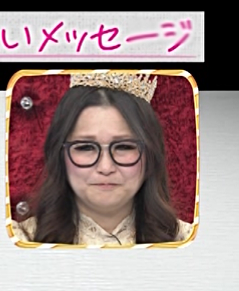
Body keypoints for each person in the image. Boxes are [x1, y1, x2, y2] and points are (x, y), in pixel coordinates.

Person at [14, 75, 194, 246]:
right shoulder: (22, 240)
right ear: (60, 156)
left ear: (150, 156)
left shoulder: (188, 241)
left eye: (124, 147)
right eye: (86, 147)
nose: (105, 167)